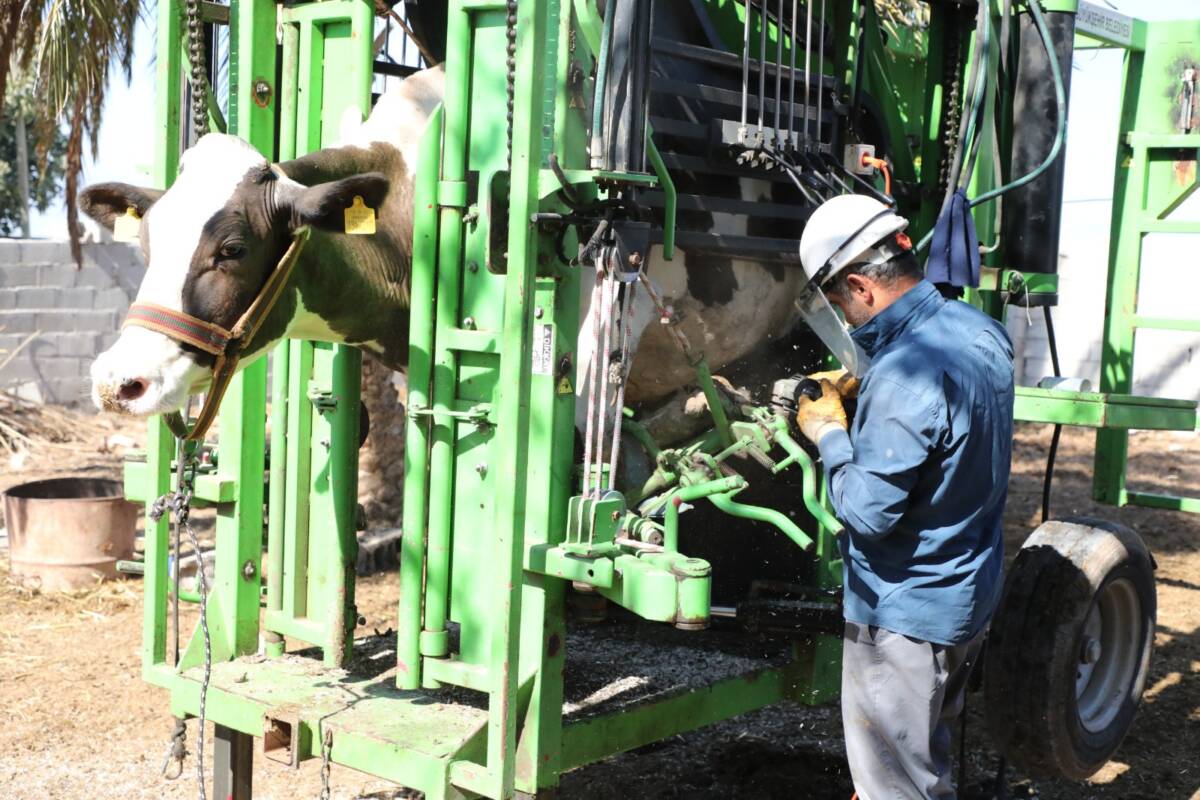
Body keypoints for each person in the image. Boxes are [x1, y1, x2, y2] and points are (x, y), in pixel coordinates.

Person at [793, 194, 1015, 800]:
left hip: (903, 617)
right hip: (965, 596)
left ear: (862, 286)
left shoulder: (901, 377)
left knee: (895, 785)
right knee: (923, 757)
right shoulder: (980, 330)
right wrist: (874, 384)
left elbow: (867, 511)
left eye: (841, 302)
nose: (845, 317)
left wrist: (830, 431)